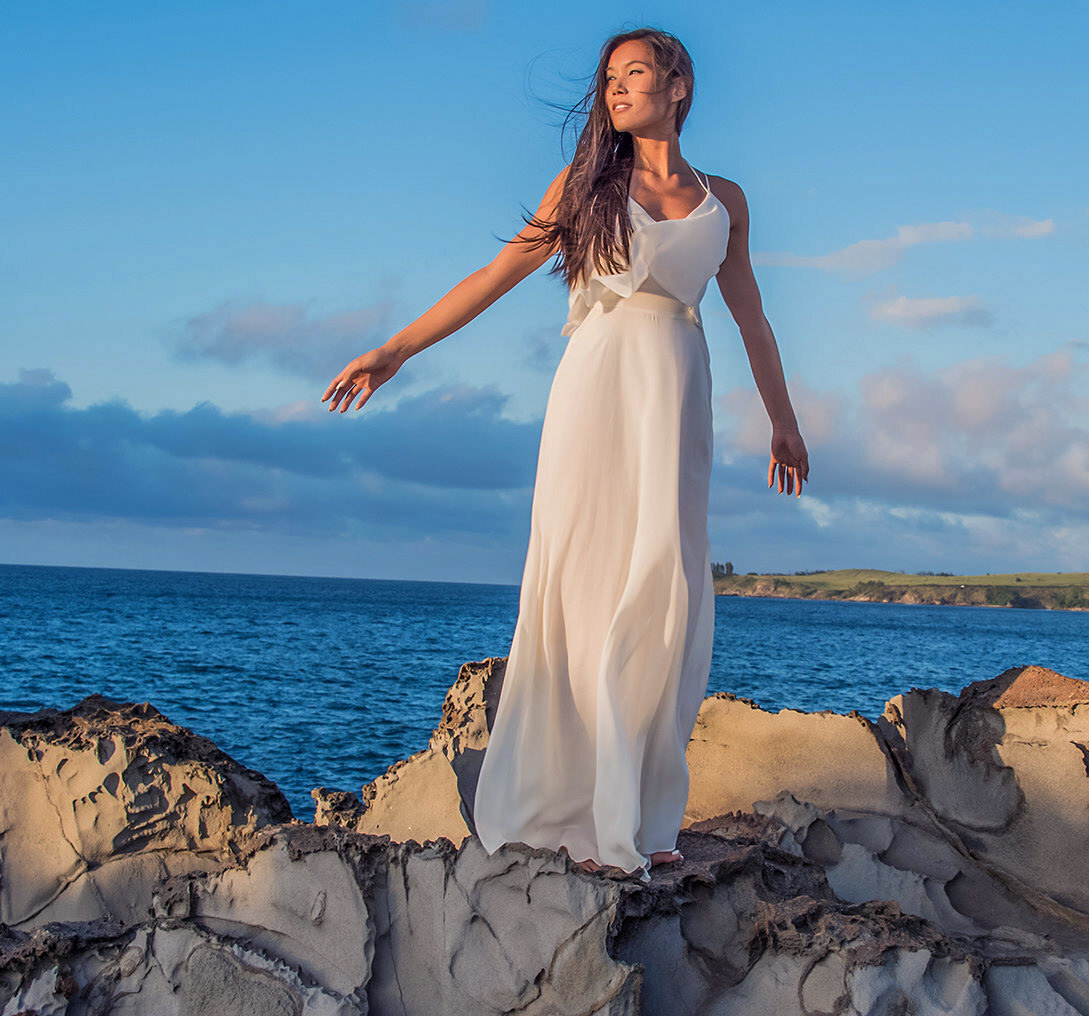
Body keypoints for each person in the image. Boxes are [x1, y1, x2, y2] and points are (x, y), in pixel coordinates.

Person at [322, 27, 809, 882]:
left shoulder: (724, 199)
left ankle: (643, 811)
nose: (617, 90)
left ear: (679, 84)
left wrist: (784, 420)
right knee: (582, 581)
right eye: (609, 78)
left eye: (634, 74)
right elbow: (495, 273)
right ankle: (566, 807)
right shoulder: (586, 186)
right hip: (594, 392)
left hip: (676, 395)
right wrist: (396, 349)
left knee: (665, 587)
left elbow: (752, 318)